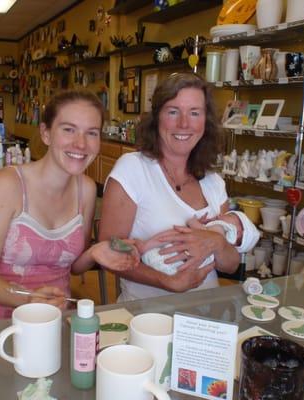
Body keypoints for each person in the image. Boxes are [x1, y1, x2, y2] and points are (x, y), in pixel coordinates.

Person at [0, 90, 139, 322]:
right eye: (68, 129)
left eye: (92, 133)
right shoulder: (7, 185)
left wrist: (94, 252)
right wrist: (29, 299)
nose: (81, 143)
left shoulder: (86, 190)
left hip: (58, 321)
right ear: (46, 133)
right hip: (0, 325)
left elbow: (73, 267)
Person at [98, 73, 259, 301]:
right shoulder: (132, 170)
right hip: (146, 316)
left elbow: (231, 264)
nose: (184, 123)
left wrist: (215, 241)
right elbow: (109, 252)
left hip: (204, 315)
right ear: (156, 119)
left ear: (206, 121)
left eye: (194, 113)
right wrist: (168, 282)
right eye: (173, 111)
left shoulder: (213, 182)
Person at [138, 212, 259, 276]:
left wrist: (194, 222)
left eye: (229, 216)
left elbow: (204, 235)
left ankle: (145, 246)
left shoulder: (225, 229)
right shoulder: (227, 239)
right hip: (178, 269)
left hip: (179, 255)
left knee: (176, 233)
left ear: (238, 232)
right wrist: (203, 225)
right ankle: (148, 254)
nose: (221, 215)